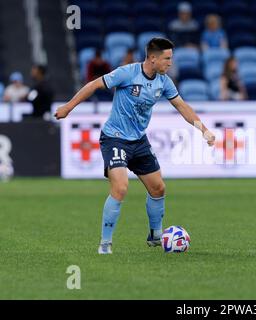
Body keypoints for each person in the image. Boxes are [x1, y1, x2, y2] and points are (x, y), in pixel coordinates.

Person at [54, 38, 216, 254]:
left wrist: (204, 130)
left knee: (158, 188)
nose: (170, 63)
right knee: (120, 188)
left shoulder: (164, 82)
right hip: (115, 138)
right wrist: (68, 107)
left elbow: (182, 107)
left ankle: (155, 236)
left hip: (139, 141)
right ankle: (105, 244)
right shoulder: (127, 73)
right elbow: (94, 85)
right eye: (167, 59)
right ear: (152, 58)